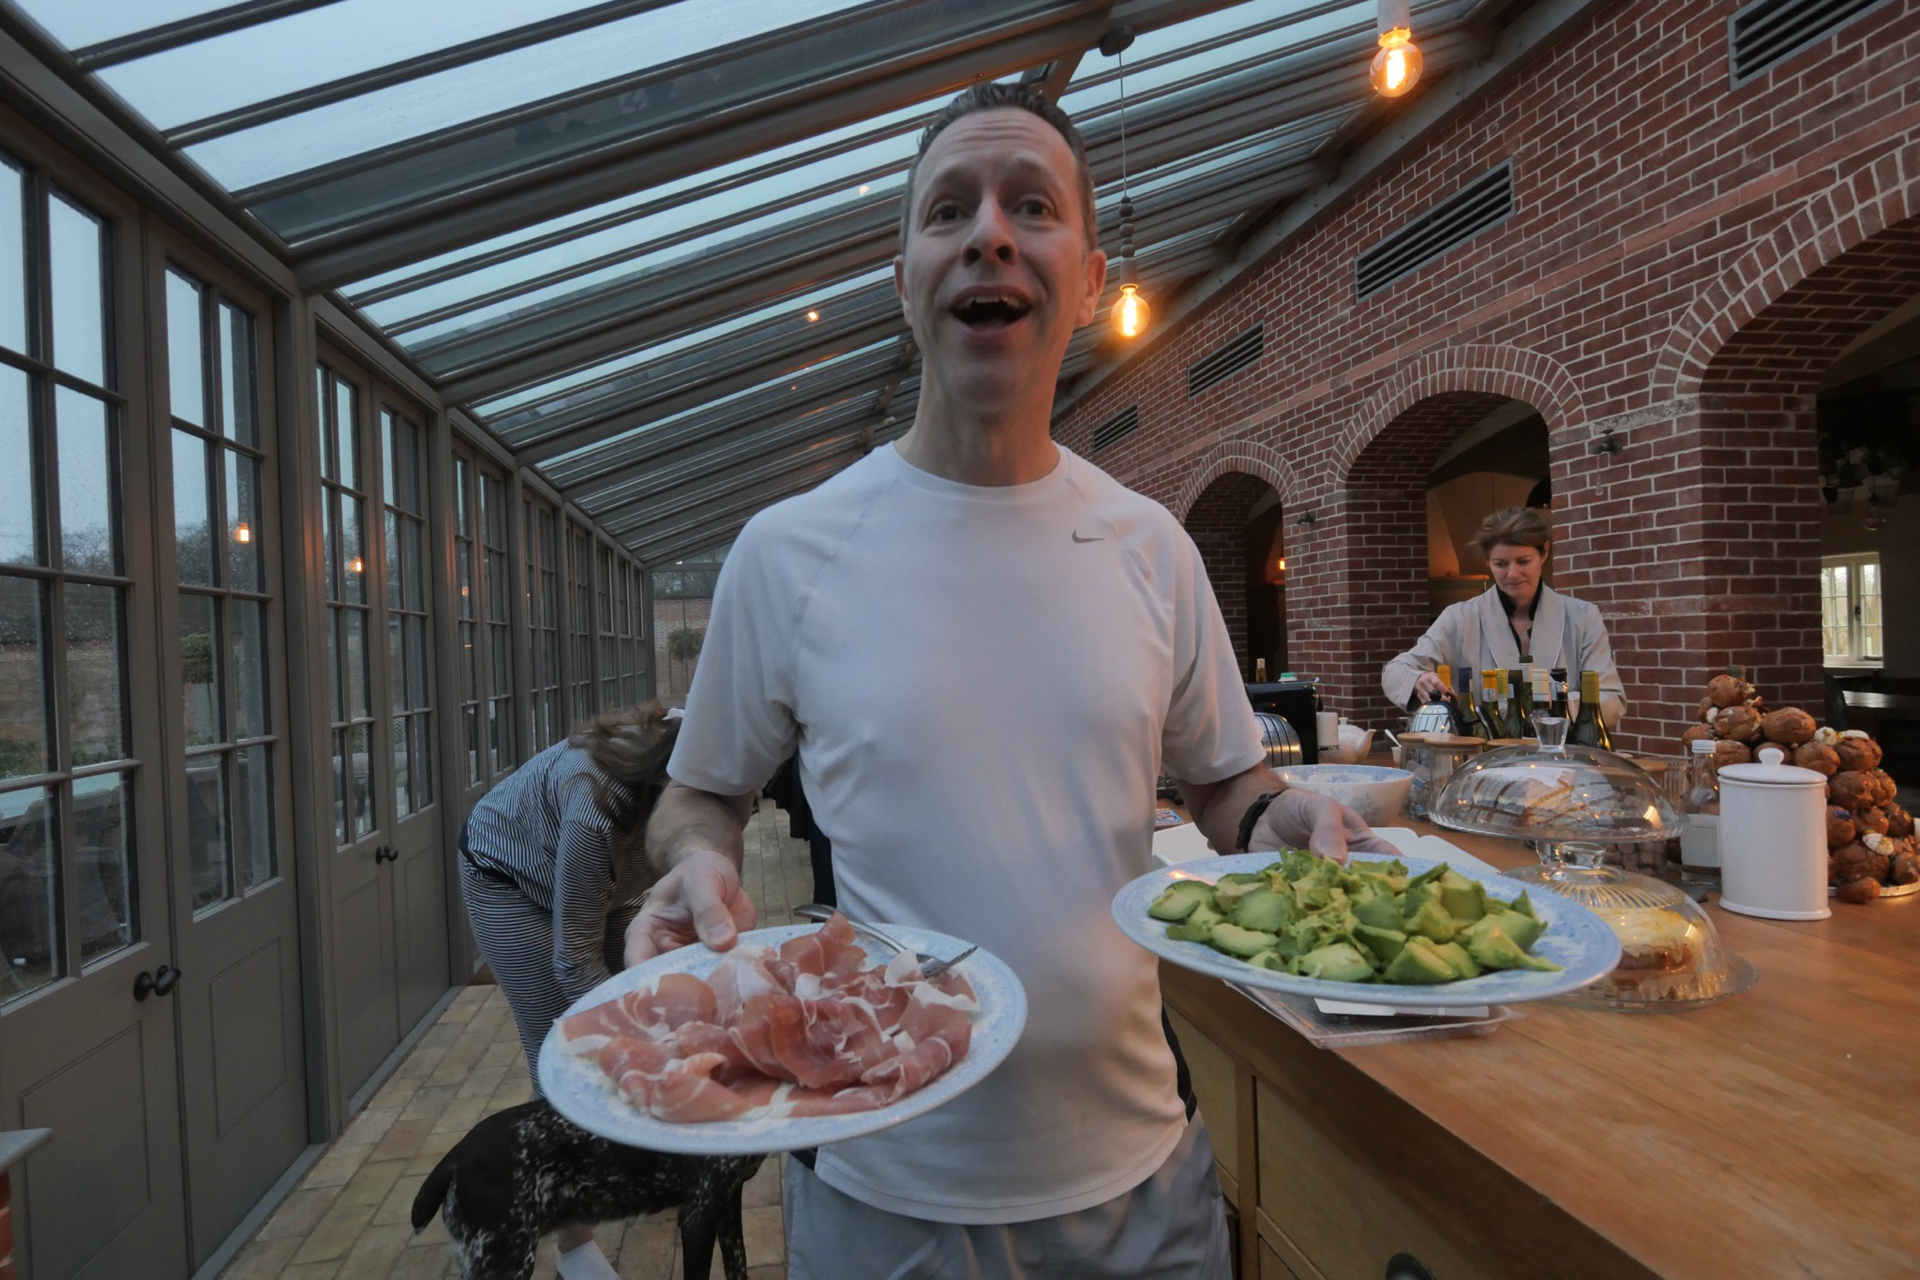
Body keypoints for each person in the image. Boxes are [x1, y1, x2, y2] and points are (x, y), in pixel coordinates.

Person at [622, 83, 1395, 1280]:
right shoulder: (789, 552)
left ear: (1089, 279)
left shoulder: (1152, 547)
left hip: (1140, 1187)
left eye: (1031, 205)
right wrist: (695, 856)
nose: (989, 232)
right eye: (949, 210)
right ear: (905, 282)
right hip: (883, 1192)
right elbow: (702, 791)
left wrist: (1278, 816)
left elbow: (1225, 785)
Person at [459, 702, 677, 1280]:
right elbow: (574, 958)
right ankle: (573, 1247)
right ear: (664, 790)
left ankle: (644, 1156)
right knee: (561, 1049)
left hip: (604, 881)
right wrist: (638, 1040)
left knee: (642, 999)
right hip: (507, 877)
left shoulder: (700, 779)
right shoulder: (596, 812)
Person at [1382, 506, 1627, 728]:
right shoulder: (1461, 618)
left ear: (1544, 552)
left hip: (1562, 755)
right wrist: (1418, 679)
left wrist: (1554, 706)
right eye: (1501, 564)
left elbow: (1612, 700)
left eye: (1523, 561)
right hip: (1483, 757)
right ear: (1487, 562)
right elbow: (1395, 671)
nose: (1512, 574)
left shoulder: (1583, 617)